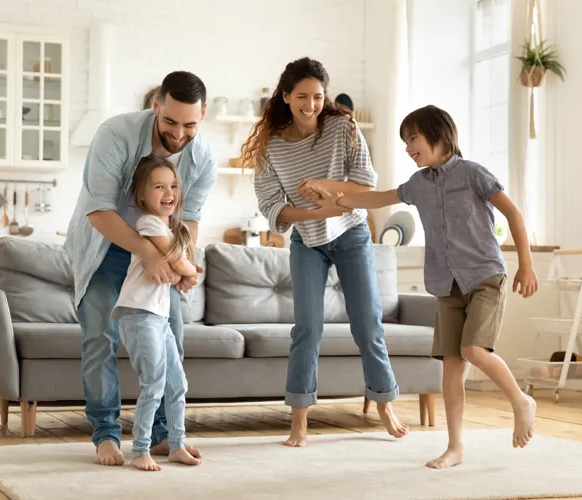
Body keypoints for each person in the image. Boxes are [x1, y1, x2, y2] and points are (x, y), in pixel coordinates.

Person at [316, 104, 539, 469]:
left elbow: (512, 213)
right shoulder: (419, 184)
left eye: (413, 139)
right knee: (451, 367)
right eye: (405, 142)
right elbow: (380, 197)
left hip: (484, 276)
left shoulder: (472, 174)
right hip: (446, 284)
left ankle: (520, 400)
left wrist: (526, 266)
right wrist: (339, 201)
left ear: (440, 135)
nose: (408, 148)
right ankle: (455, 447)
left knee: (472, 349)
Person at [241, 57, 410, 448]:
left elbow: (366, 182)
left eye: (318, 96)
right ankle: (299, 419)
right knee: (307, 329)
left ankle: (384, 403)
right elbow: (271, 206)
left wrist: (322, 185)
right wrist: (316, 210)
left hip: (351, 234)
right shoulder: (271, 146)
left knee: (367, 324)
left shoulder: (343, 127)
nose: (311, 104)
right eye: (302, 96)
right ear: (285, 97)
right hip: (307, 240)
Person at [65, 71, 217, 466]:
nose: (179, 133)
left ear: (204, 115)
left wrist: (180, 260)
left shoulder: (202, 157)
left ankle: (165, 436)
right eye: (170, 122)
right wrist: (149, 254)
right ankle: (106, 435)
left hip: (162, 249)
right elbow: (100, 210)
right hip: (107, 245)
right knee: (100, 337)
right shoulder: (116, 134)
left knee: (172, 342)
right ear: (156, 107)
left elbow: (191, 219)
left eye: (190, 124)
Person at [113, 157, 201, 471]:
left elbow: (179, 267)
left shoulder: (171, 228)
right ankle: (140, 451)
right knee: (154, 384)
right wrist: (189, 273)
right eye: (159, 186)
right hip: (138, 314)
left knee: (177, 384)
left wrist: (185, 272)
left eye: (173, 185)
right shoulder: (148, 223)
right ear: (143, 194)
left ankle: (176, 444)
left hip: (158, 317)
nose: (168, 192)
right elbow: (180, 263)